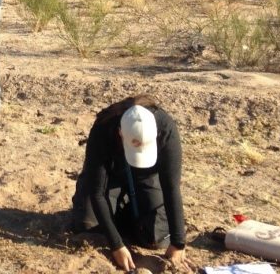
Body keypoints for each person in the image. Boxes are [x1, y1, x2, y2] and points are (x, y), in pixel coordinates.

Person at [71, 95, 192, 272]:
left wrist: (178, 243)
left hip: (147, 173)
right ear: (120, 133)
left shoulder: (166, 128)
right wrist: (116, 245)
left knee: (156, 237)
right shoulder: (104, 127)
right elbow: (98, 192)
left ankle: (123, 215)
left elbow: (171, 186)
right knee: (87, 225)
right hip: (111, 172)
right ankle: (115, 216)